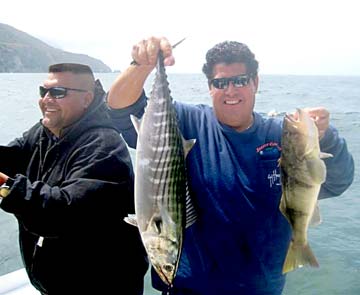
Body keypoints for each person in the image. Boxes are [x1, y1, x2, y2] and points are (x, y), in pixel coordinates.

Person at [106, 38, 354, 295]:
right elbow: (120, 109)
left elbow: (338, 181)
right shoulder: (186, 121)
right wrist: (141, 65)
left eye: (241, 80)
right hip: (189, 289)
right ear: (210, 87)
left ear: (255, 82)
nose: (231, 90)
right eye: (221, 83)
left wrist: (324, 136)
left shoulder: (287, 134)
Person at [0, 63, 148, 295]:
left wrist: (6, 186)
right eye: (43, 91)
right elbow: (10, 157)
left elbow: (61, 213)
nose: (46, 99)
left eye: (58, 93)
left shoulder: (104, 147)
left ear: (87, 98)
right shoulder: (45, 132)